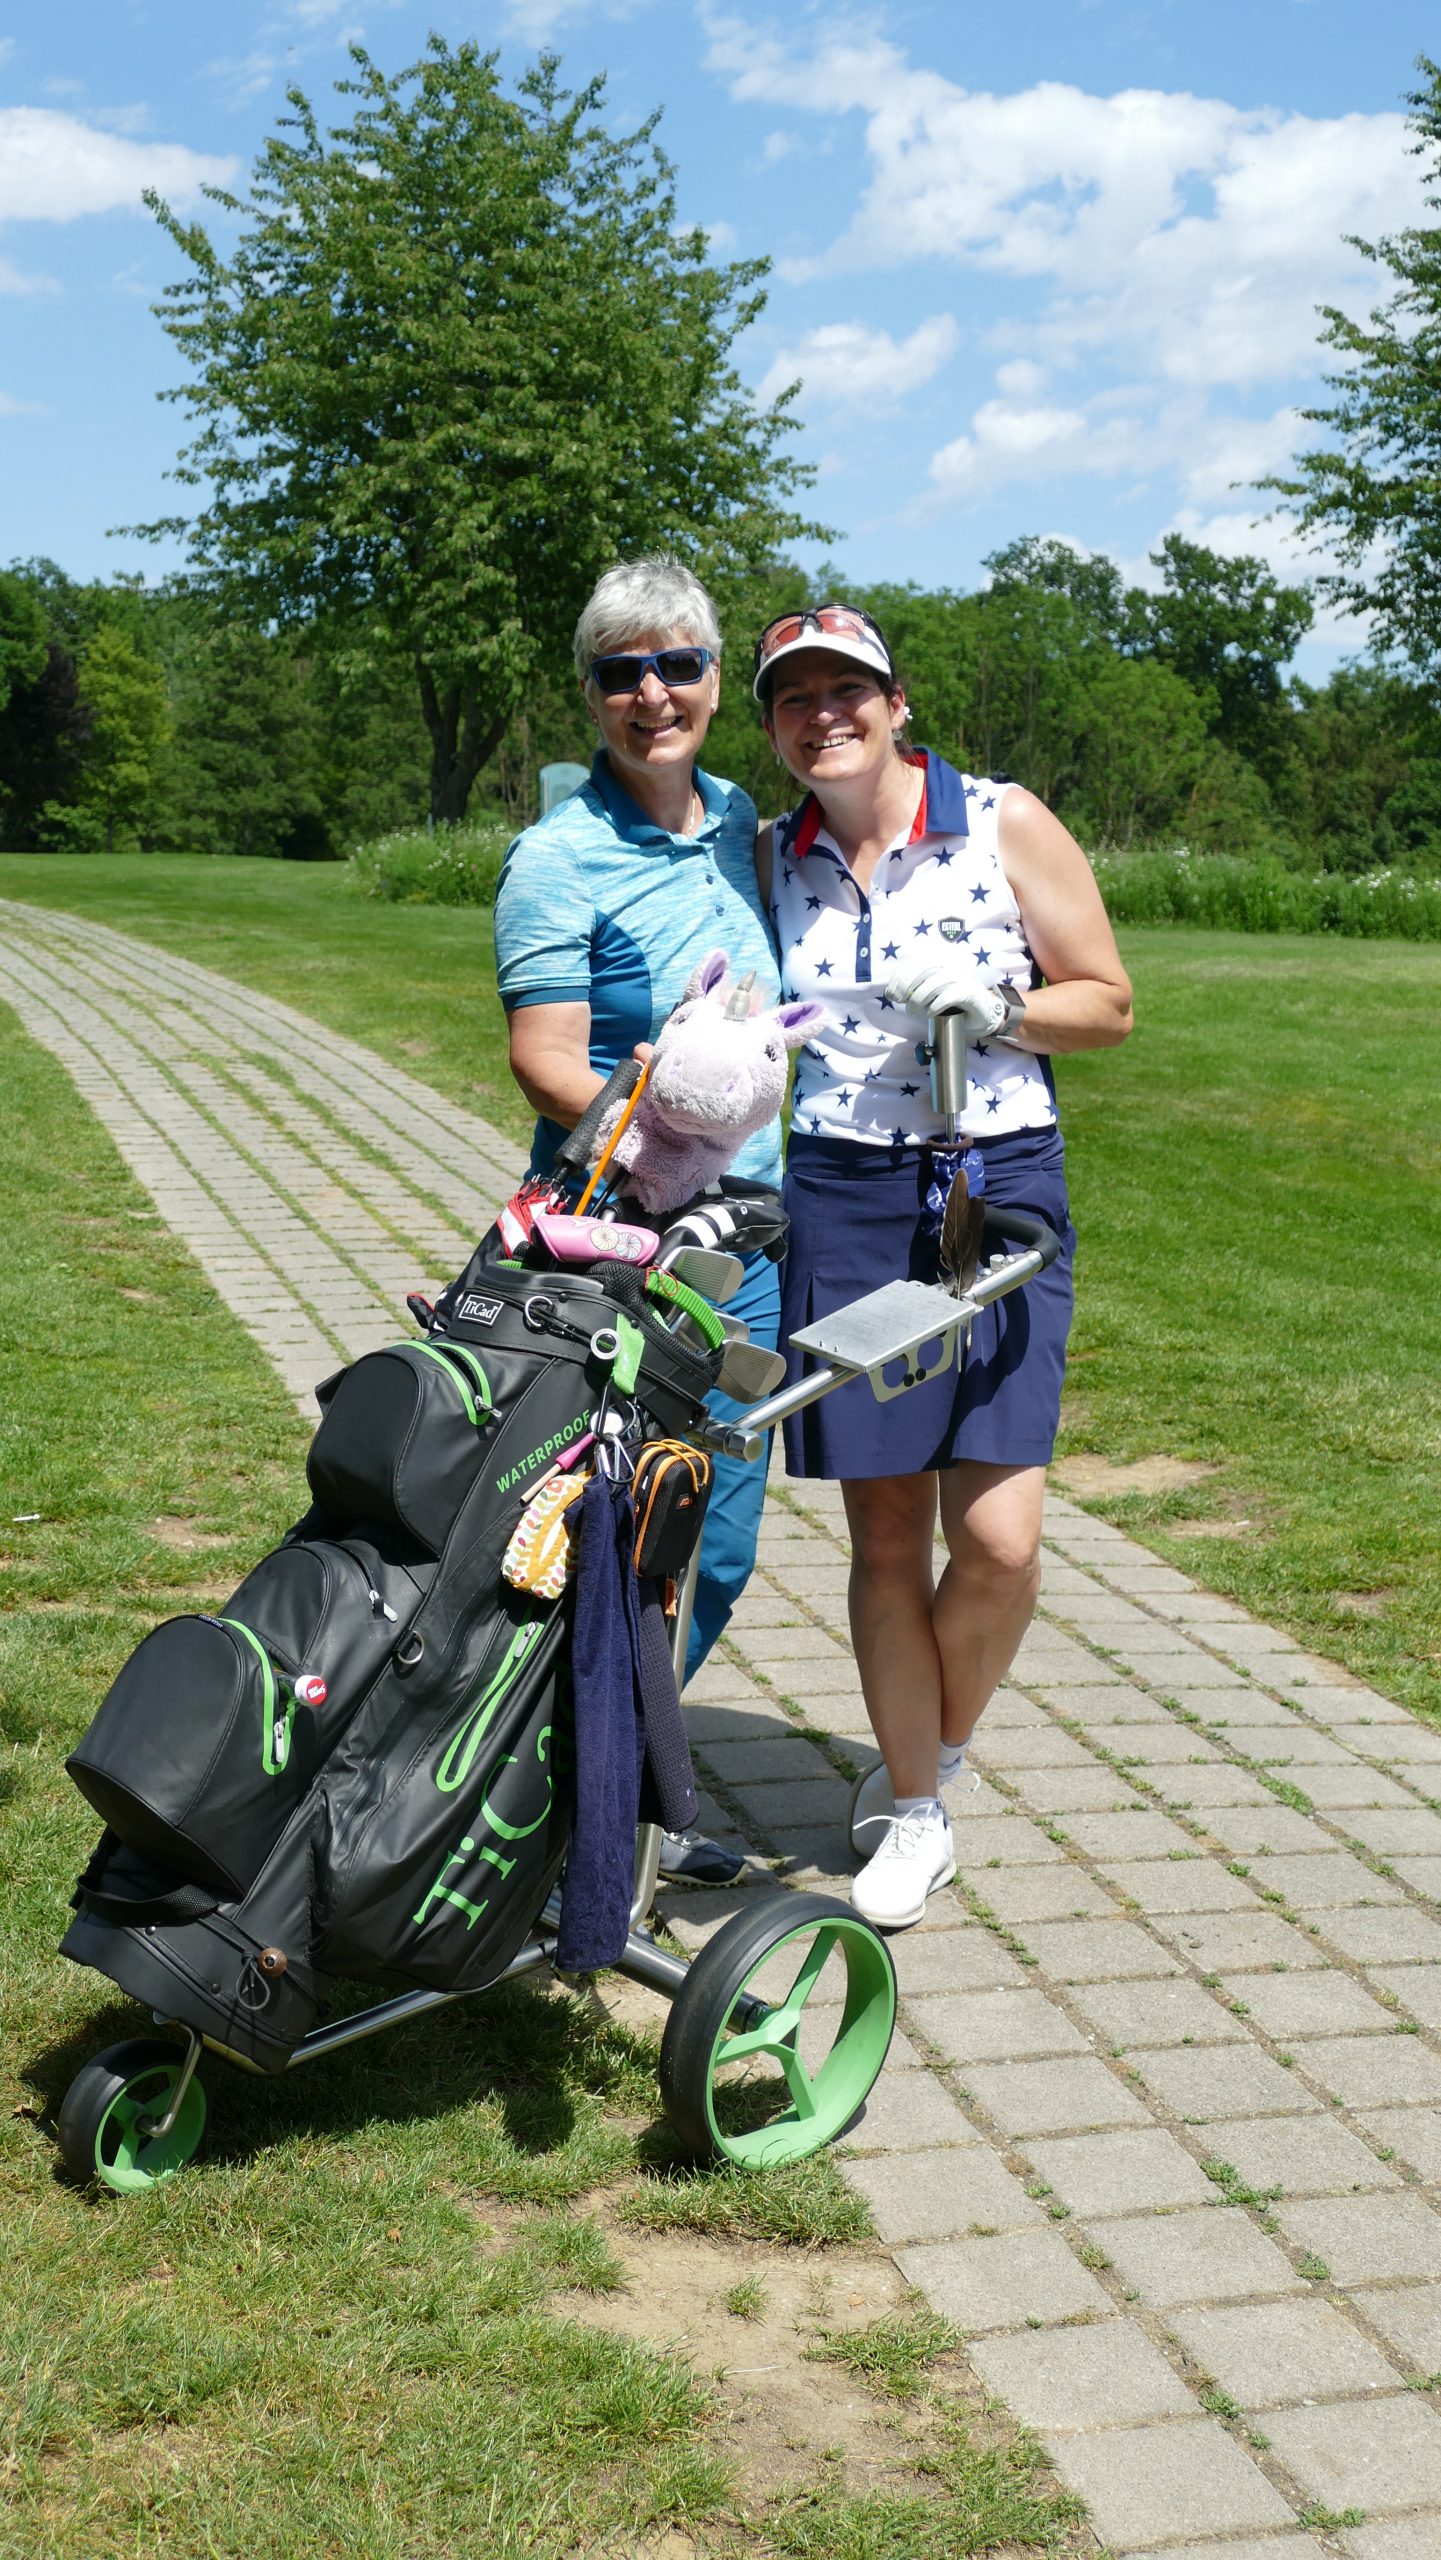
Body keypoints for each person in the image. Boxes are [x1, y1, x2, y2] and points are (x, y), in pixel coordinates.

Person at [753, 602, 1133, 1930]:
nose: (823, 715)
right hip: (846, 1195)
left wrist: (1003, 1006)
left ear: (895, 702)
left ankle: (937, 1743)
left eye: (845, 690)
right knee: (884, 1532)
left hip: (994, 1186)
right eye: (794, 698)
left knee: (1000, 1542)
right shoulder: (772, 854)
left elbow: (1109, 1002)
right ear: (773, 726)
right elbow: (767, 1007)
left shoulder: (997, 820)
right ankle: (913, 1807)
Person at [494, 554, 781, 1883]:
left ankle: (616, 1800)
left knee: (712, 1538)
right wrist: (673, 1144)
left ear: (715, 681)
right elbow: (545, 1057)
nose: (652, 693)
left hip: (747, 1244)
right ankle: (548, 1818)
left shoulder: (739, 824)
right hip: (621, 1242)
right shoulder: (557, 858)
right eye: (622, 673)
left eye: (677, 665)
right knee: (606, 1537)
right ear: (591, 692)